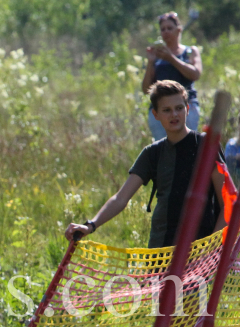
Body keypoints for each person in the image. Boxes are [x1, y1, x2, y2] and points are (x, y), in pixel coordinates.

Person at [65, 80, 225, 248]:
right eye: (166, 110)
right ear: (155, 114)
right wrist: (90, 225)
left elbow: (226, 203)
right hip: (160, 250)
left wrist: (212, 247)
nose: (174, 115)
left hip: (201, 249)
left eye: (179, 108)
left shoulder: (207, 146)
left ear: (188, 109)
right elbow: (120, 198)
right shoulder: (152, 153)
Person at [141, 12, 203, 141]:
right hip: (160, 111)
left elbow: (195, 74)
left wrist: (171, 59)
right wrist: (150, 62)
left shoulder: (189, 51)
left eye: (170, 28)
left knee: (187, 146)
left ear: (179, 30)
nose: (166, 32)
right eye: (163, 29)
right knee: (164, 150)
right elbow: (146, 89)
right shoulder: (156, 57)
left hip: (187, 108)